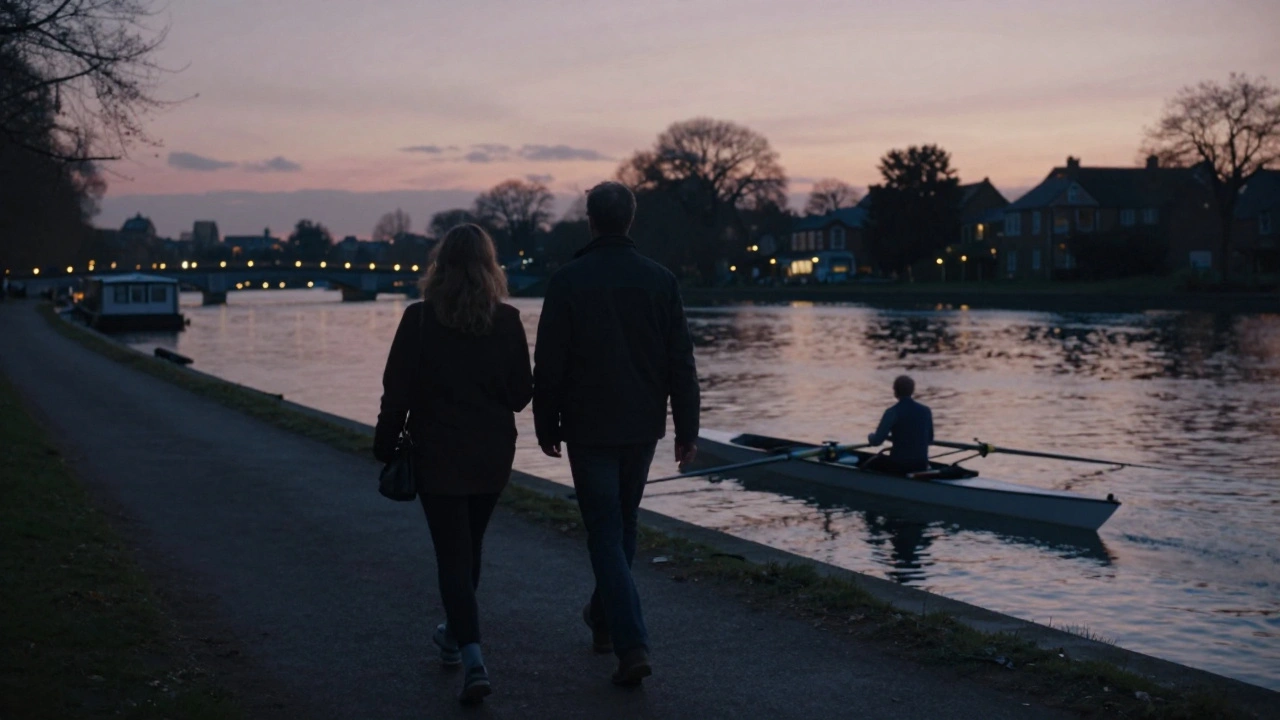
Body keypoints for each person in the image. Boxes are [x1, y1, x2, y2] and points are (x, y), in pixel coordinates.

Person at [533, 181, 700, 687]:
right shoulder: (661, 280)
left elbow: (550, 363)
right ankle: (603, 621)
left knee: (606, 528)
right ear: (629, 221)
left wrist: (546, 422)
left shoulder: (567, 281)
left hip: (588, 426)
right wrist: (685, 428)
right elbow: (681, 363)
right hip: (642, 425)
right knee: (622, 523)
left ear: (591, 220)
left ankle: (631, 645)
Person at [374, 224, 532, 704]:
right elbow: (521, 396)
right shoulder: (505, 321)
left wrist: (385, 444)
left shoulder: (419, 320)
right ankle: (455, 635)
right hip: (490, 453)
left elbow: (396, 391)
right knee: (471, 547)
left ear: (439, 264)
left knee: (452, 555)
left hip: (437, 452)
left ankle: (472, 656)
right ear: (490, 266)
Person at [865, 375, 933, 474]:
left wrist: (870, 436)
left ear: (895, 391)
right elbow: (929, 440)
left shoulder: (892, 412)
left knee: (868, 463)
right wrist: (897, 438)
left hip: (899, 465)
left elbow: (876, 441)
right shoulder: (926, 411)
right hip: (921, 465)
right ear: (912, 391)